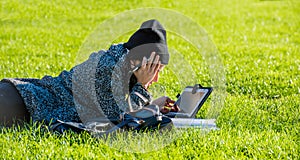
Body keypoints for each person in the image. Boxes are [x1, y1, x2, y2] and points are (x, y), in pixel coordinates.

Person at [0, 19, 179, 127]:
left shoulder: (118, 64)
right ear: (139, 63)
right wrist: (142, 89)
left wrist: (152, 104)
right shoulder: (108, 70)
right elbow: (118, 122)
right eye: (155, 70)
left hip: (18, 99)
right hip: (17, 103)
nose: (155, 78)